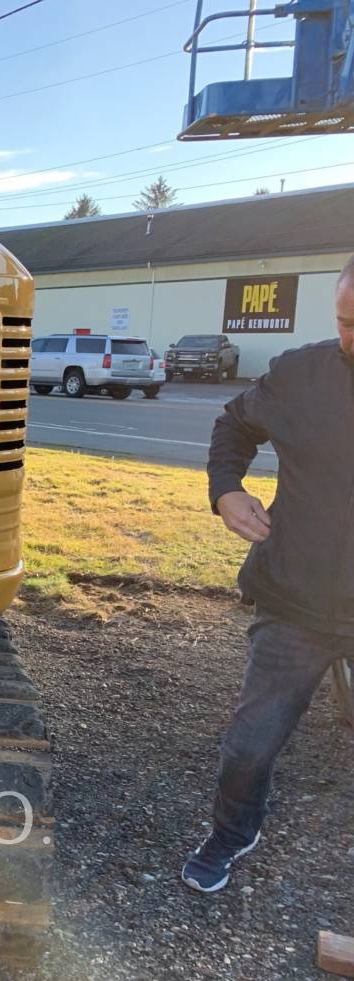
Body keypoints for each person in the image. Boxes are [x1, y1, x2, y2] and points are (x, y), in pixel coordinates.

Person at [182, 253, 354, 893]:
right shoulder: (300, 374)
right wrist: (226, 491)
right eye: (345, 323)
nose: (352, 340)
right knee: (249, 746)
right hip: (294, 599)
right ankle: (233, 832)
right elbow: (234, 425)